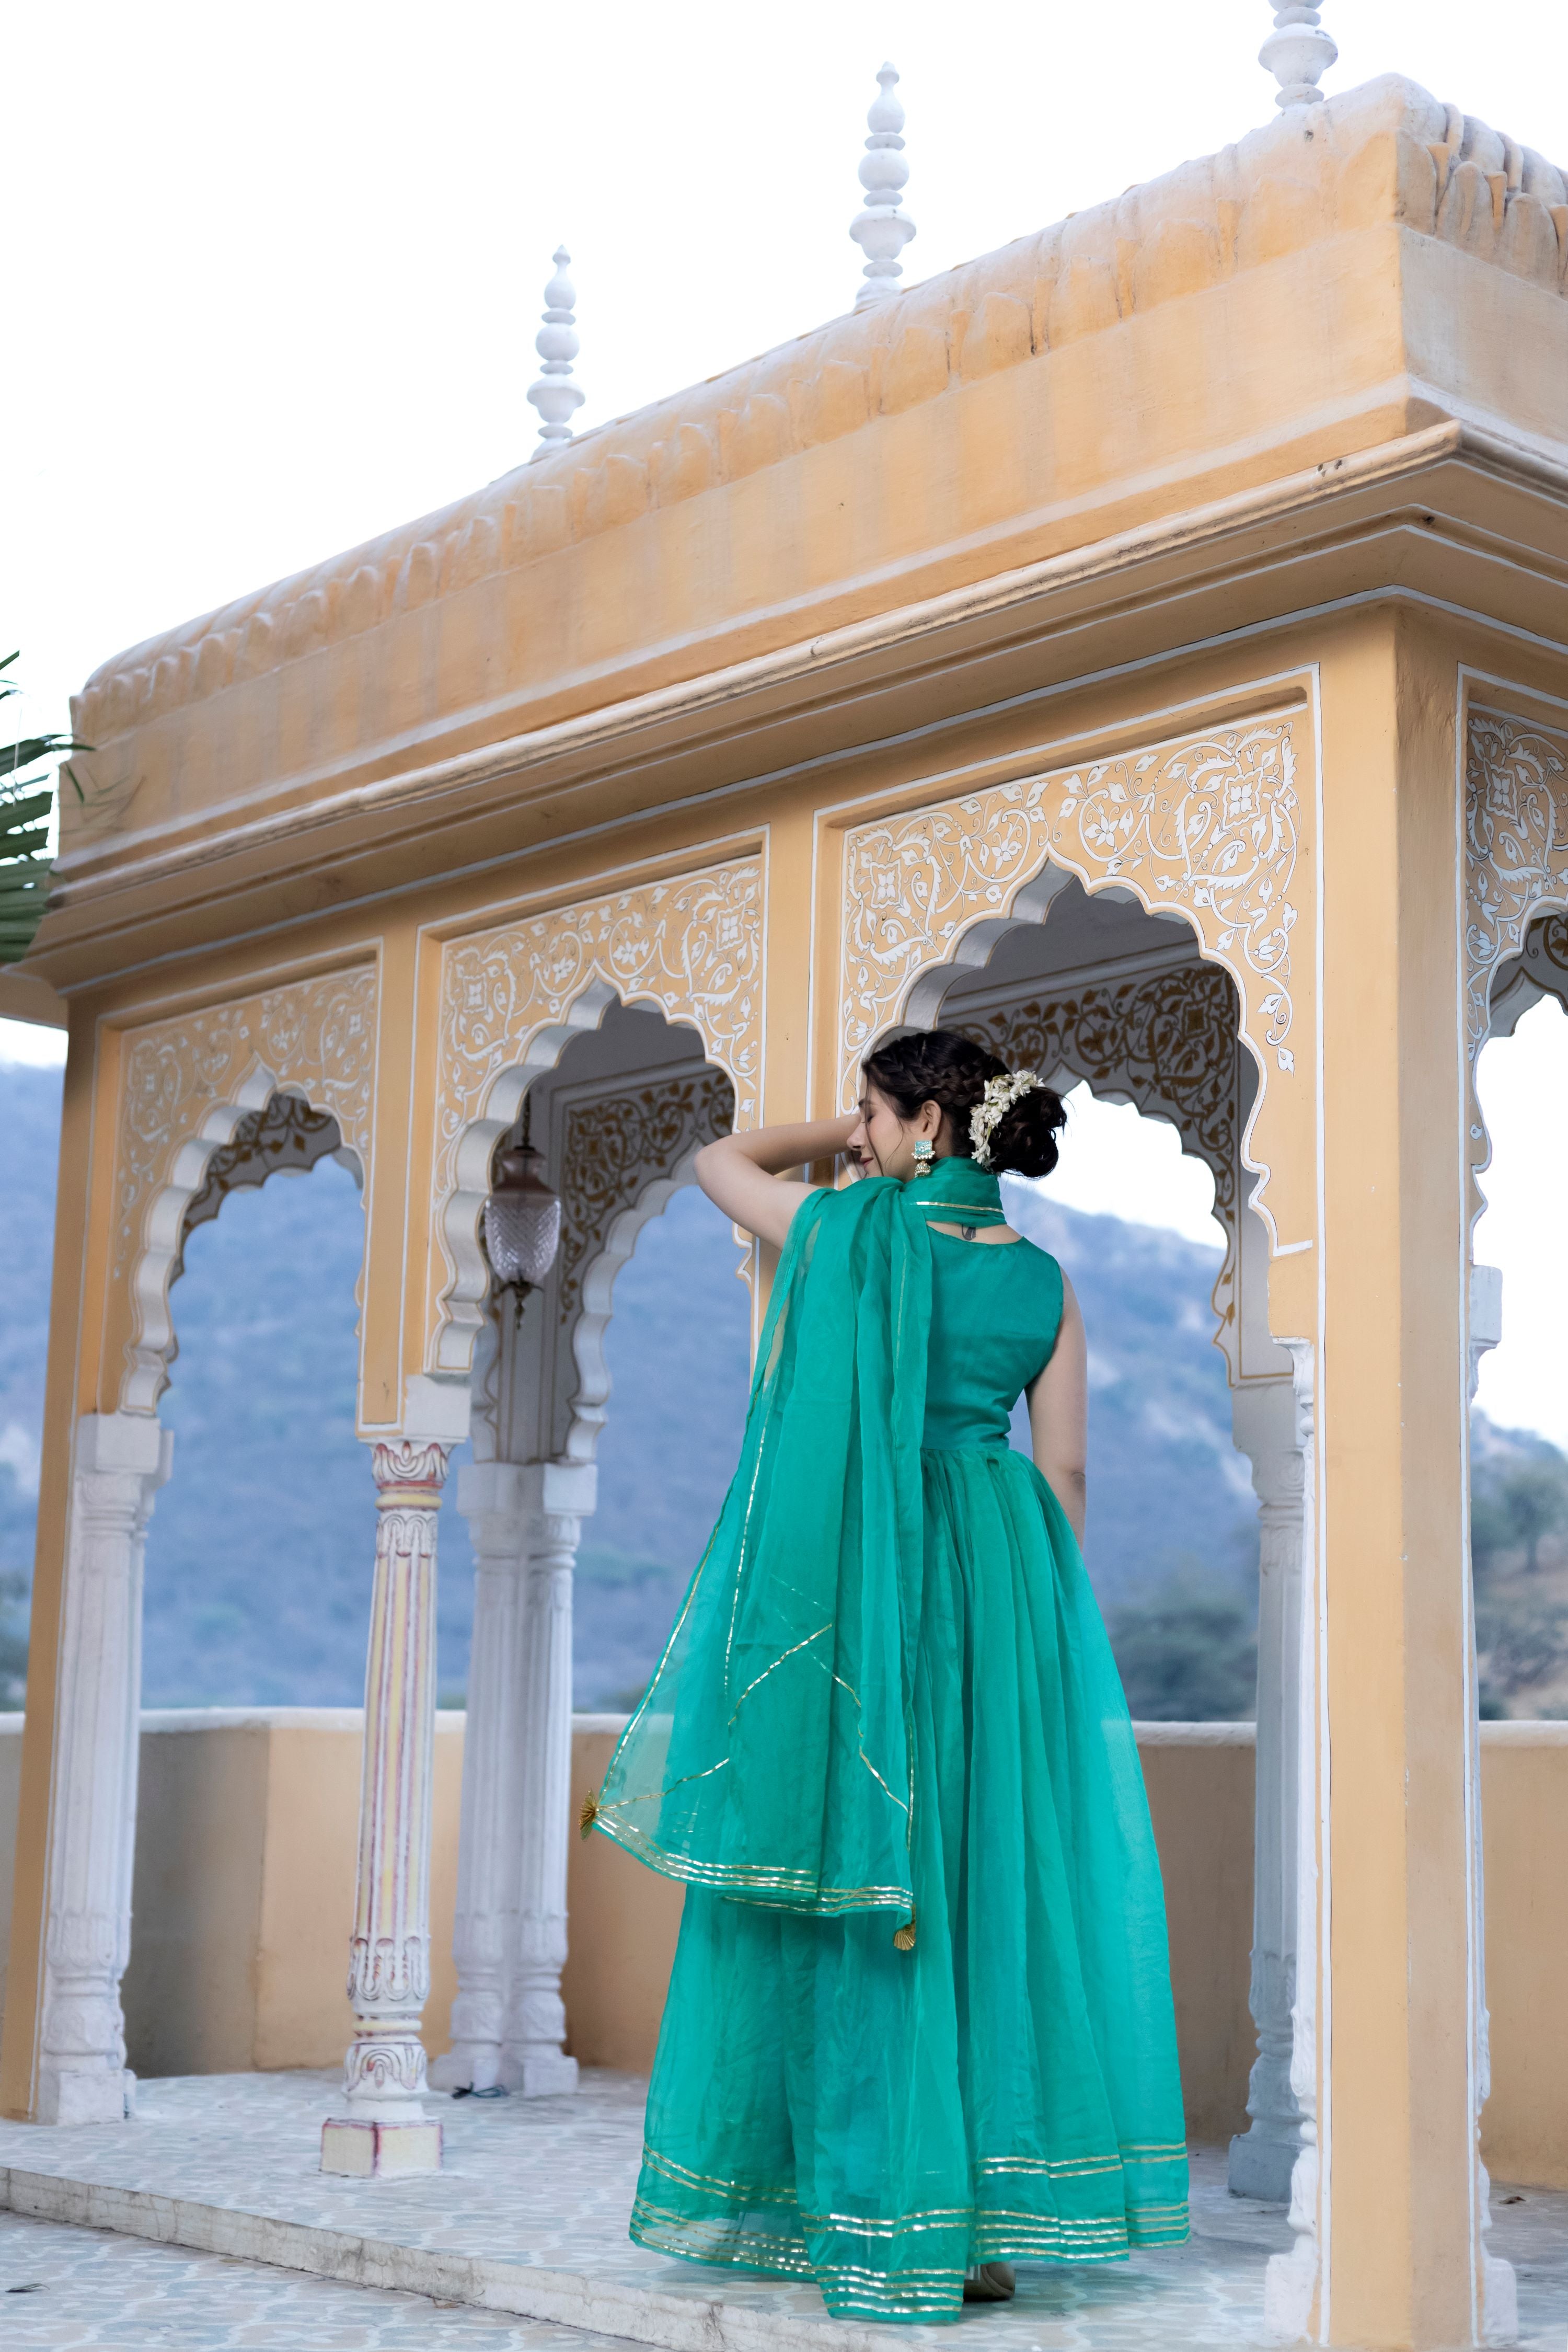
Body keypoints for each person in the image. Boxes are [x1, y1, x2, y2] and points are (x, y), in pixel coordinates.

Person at [583, 1029, 1189, 2323]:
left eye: (875, 1111)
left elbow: (715, 1161)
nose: (859, 1134)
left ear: (923, 1121)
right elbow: (1067, 1470)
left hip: (866, 1585)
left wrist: (842, 1141)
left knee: (856, 1870)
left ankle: (866, 2211)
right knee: (980, 1890)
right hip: (1004, 1587)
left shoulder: (849, 1237)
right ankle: (977, 2231)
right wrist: (1034, 1629)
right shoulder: (1049, 1282)